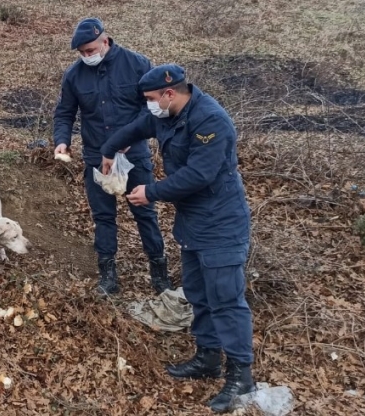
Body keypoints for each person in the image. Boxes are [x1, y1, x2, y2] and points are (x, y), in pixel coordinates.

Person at [100, 64, 254, 413]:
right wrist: (109, 150)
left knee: (226, 299)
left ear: (170, 94)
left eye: (152, 99)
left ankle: (241, 375)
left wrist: (151, 192)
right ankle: (208, 357)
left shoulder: (210, 121)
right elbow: (136, 127)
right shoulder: (166, 113)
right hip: (193, 223)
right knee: (199, 293)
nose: (149, 105)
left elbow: (199, 174)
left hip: (221, 223)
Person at [53, 17, 172, 295]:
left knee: (145, 213)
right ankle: (107, 275)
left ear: (105, 41)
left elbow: (152, 107)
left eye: (90, 50)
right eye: (81, 53)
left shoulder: (137, 65)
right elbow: (65, 112)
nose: (86, 56)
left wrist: (130, 137)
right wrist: (61, 140)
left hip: (134, 157)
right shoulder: (74, 75)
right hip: (96, 156)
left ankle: (159, 273)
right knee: (103, 216)